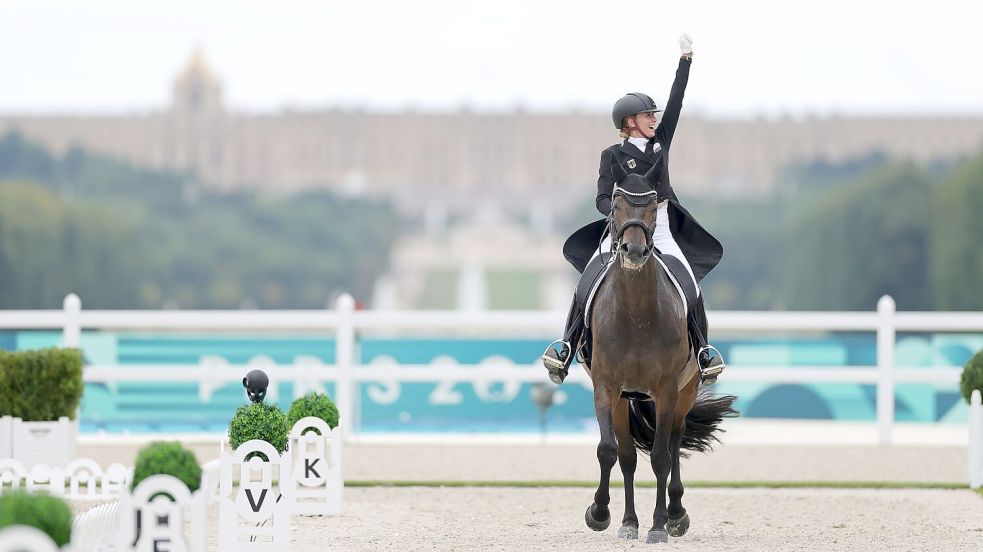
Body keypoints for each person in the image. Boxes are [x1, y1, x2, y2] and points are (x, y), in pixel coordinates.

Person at [542, 33, 726, 386]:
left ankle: (703, 351)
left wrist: (685, 61)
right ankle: (566, 345)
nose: (654, 119)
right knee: (588, 282)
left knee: (690, 285)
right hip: (623, 229)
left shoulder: (660, 144)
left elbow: (676, 103)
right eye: (647, 115)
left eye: (653, 115)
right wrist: (616, 213)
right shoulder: (612, 156)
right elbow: (601, 196)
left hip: (660, 228)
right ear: (629, 122)